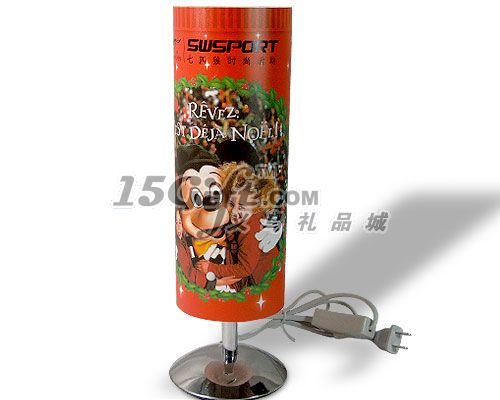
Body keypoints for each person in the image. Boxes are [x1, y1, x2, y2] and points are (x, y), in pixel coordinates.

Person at [195, 162, 280, 292]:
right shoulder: (242, 220)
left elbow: (245, 269)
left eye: (241, 207)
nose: (234, 212)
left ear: (256, 209)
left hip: (253, 283)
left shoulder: (253, 231)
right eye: (231, 204)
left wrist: (212, 268)